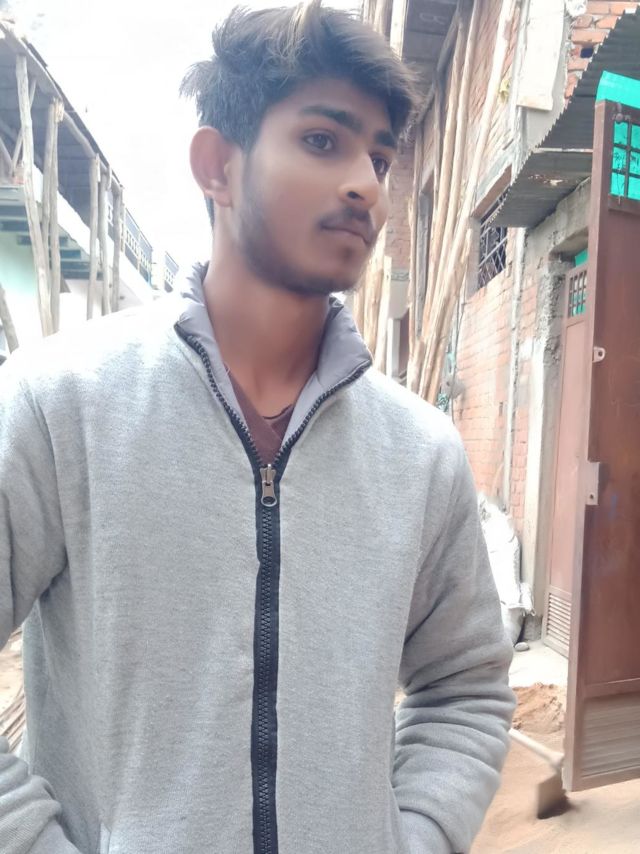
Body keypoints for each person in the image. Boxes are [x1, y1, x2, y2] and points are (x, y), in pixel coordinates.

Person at [0, 3, 515, 852]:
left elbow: (466, 685)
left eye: (380, 157)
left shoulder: (418, 455)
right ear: (219, 166)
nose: (365, 184)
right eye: (322, 140)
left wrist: (416, 836)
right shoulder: (63, 407)